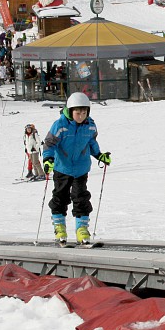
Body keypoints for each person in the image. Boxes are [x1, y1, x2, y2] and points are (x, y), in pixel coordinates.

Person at [42, 92, 112, 245]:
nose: (81, 116)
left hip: (81, 168)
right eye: (77, 112)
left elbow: (92, 143)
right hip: (62, 168)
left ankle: (82, 229)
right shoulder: (60, 125)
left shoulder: (90, 125)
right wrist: (48, 159)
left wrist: (100, 155)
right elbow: (49, 144)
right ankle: (59, 227)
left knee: (81, 197)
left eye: (84, 112)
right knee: (60, 197)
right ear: (70, 111)